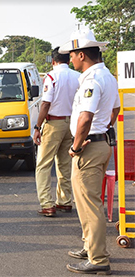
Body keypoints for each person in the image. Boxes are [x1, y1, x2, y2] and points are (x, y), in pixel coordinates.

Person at [59, 29, 120, 275]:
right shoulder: (107, 76)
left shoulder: (92, 81)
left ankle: (98, 258)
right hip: (99, 142)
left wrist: (75, 146)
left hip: (88, 147)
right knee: (85, 201)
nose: (71, 60)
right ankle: (89, 245)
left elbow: (85, 118)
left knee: (90, 203)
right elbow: (114, 110)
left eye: (72, 55)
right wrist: (103, 128)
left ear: (82, 55)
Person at [34, 47, 80, 217]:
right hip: (71, 123)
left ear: (53, 61)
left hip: (54, 123)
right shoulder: (78, 76)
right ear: (68, 60)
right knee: (64, 164)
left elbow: (45, 104)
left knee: (44, 165)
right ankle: (65, 201)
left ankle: (47, 203)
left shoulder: (51, 77)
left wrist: (38, 127)